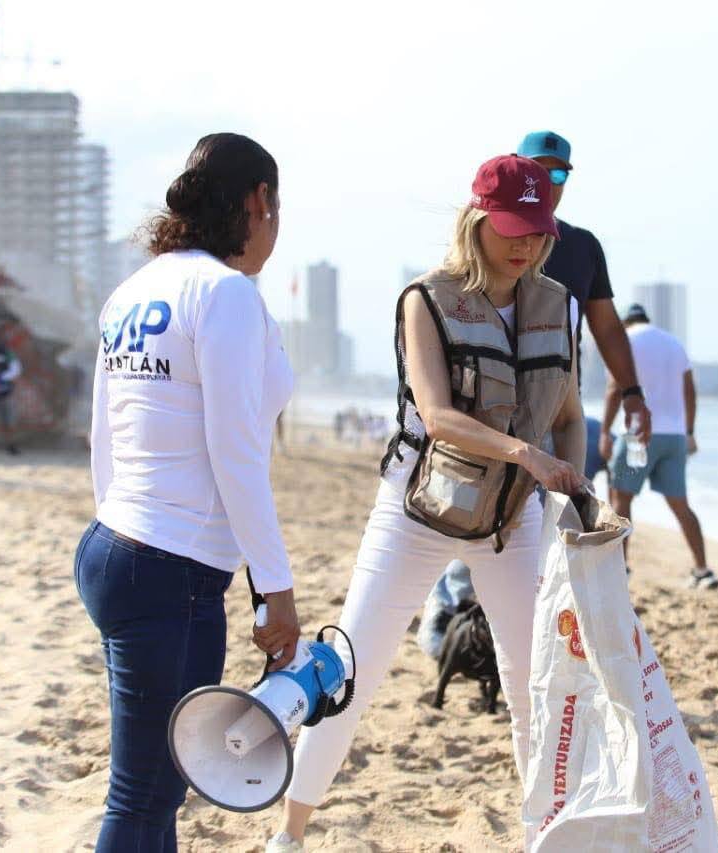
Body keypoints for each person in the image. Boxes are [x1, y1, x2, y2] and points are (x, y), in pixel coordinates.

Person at [267, 154, 586, 853]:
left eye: (538, 230)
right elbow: (438, 416)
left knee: (533, 683)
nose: (526, 244)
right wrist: (526, 454)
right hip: (418, 510)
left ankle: (546, 835)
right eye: (512, 228)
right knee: (351, 667)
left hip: (510, 520)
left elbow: (568, 416)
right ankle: (289, 831)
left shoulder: (559, 306)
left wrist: (574, 496)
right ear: (475, 221)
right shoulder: (427, 299)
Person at [75, 133, 300, 853]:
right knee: (141, 794)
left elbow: (103, 437)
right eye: (278, 207)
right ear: (259, 201)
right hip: (169, 569)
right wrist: (275, 586)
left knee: (161, 786)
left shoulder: (134, 290)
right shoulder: (225, 293)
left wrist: (124, 533)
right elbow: (237, 453)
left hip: (115, 548)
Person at [516, 130, 652, 444]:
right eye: (537, 172)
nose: (548, 183)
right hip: (494, 407)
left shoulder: (583, 246)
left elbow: (607, 329)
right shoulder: (488, 238)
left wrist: (632, 393)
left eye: (558, 174)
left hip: (561, 413)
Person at [601, 304, 716, 588]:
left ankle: (620, 568)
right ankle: (702, 570)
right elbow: (690, 391)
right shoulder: (674, 344)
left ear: (626, 322)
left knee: (621, 498)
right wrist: (689, 431)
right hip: (674, 437)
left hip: (638, 434)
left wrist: (604, 431)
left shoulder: (625, 340)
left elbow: (615, 388)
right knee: (681, 506)